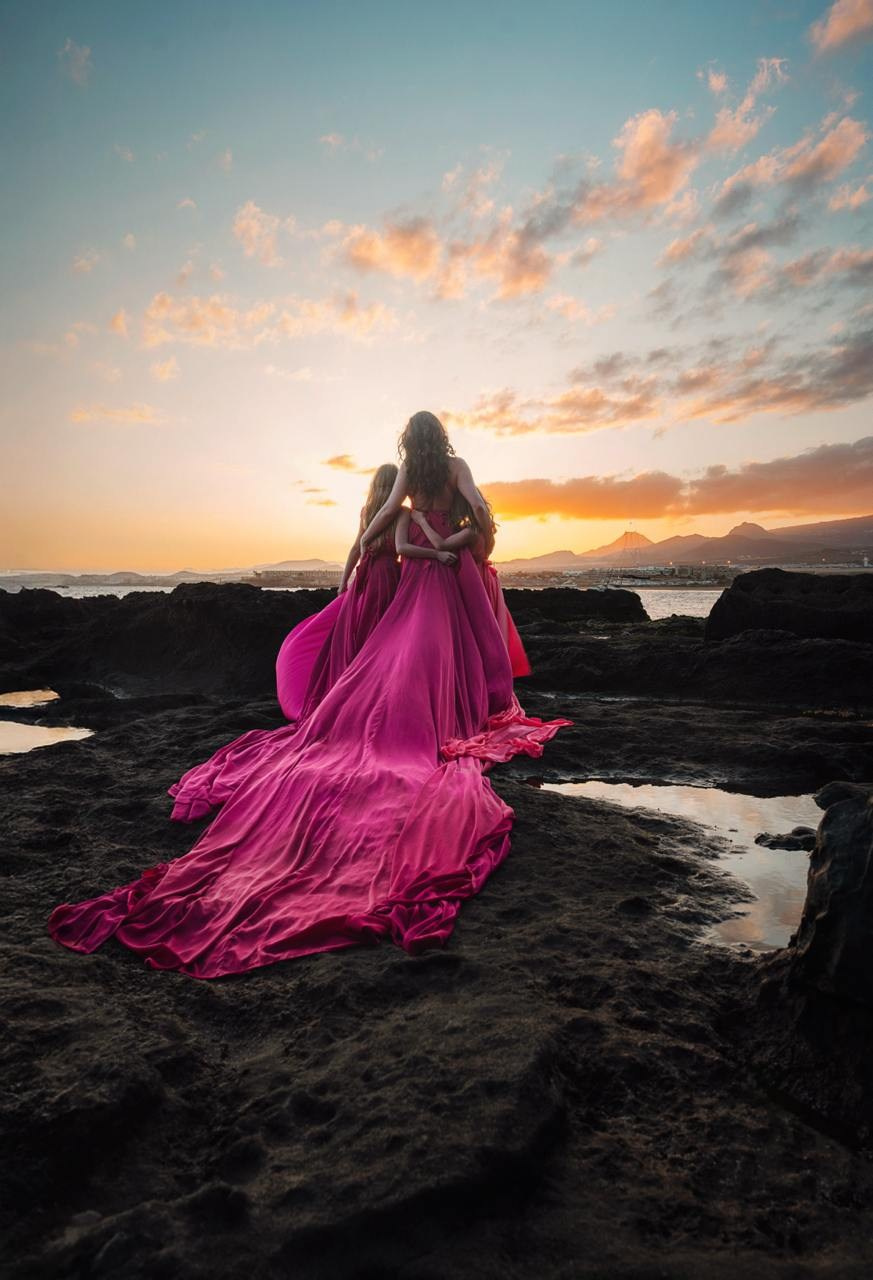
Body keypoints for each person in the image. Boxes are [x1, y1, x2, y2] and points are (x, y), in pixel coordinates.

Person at [48, 412, 570, 978]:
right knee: (446, 650)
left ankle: (412, 715)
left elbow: (382, 523)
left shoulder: (410, 479)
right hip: (450, 575)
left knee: (401, 655)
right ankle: (453, 714)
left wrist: (370, 549)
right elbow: (478, 504)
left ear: (408, 443)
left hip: (420, 576)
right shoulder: (456, 469)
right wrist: (473, 536)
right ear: (441, 437)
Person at [167, 465, 403, 823]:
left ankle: (357, 695)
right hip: (385, 579)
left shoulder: (369, 510)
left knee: (360, 640)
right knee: (382, 642)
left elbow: (356, 546)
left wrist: (344, 583)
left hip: (366, 581)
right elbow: (399, 551)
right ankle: (376, 697)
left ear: (375, 485)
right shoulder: (399, 513)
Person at [410, 495, 531, 678]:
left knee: (478, 631)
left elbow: (441, 545)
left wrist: (422, 521)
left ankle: (478, 677)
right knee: (487, 630)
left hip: (476, 581)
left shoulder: (470, 532)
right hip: (487, 579)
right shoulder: (485, 530)